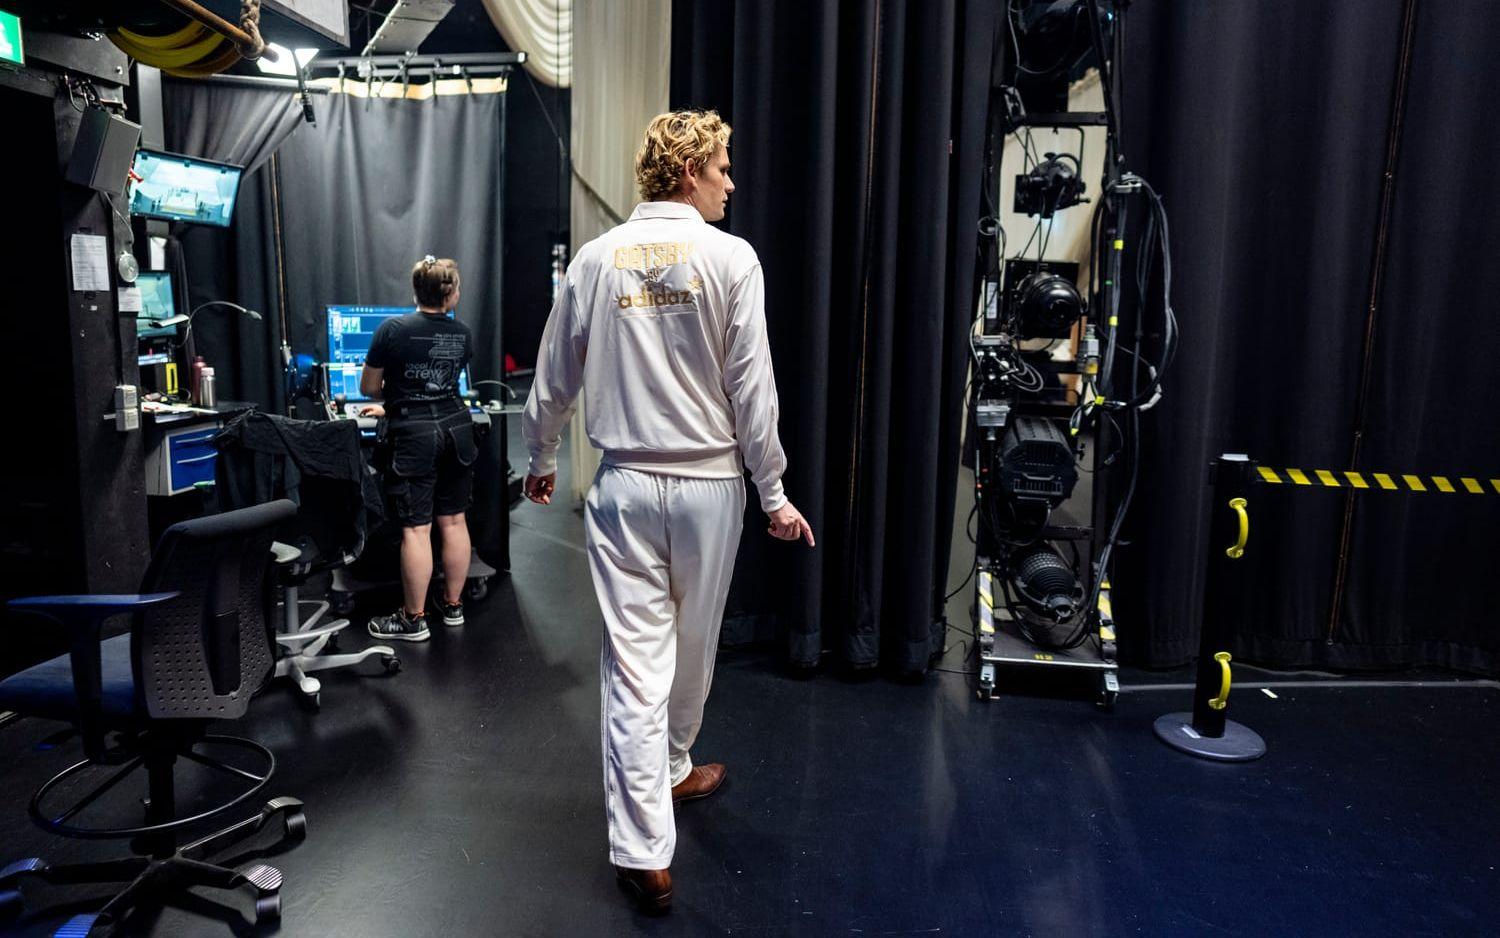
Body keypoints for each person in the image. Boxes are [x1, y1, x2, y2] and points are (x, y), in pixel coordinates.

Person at [523, 109, 815, 914]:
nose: (730, 183)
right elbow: (753, 389)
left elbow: (553, 375)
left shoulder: (596, 258)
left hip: (622, 487)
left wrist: (542, 457)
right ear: (689, 172)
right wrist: (773, 491)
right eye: (721, 167)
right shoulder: (731, 258)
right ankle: (651, 827)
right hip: (709, 487)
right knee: (689, 647)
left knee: (637, 664)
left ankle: (655, 815)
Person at [363, 255, 477, 642]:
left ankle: (413, 619)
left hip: (415, 434)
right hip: (457, 427)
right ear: (451, 294)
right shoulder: (463, 334)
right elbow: (441, 386)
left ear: (417, 291)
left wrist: (393, 401)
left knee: (417, 529)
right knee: (455, 521)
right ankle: (454, 606)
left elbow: (369, 387)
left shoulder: (392, 330)